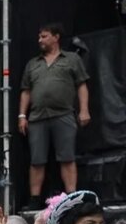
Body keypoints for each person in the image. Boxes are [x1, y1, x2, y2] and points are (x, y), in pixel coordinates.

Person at [19, 22, 90, 209]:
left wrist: (84, 110)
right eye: (39, 36)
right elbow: (26, 90)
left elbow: (82, 85)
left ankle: (72, 196)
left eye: (44, 36)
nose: (40, 40)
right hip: (37, 117)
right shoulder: (33, 64)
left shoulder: (72, 59)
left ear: (56, 37)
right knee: (37, 160)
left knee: (67, 157)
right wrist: (21, 115)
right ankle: (34, 199)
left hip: (63, 114)